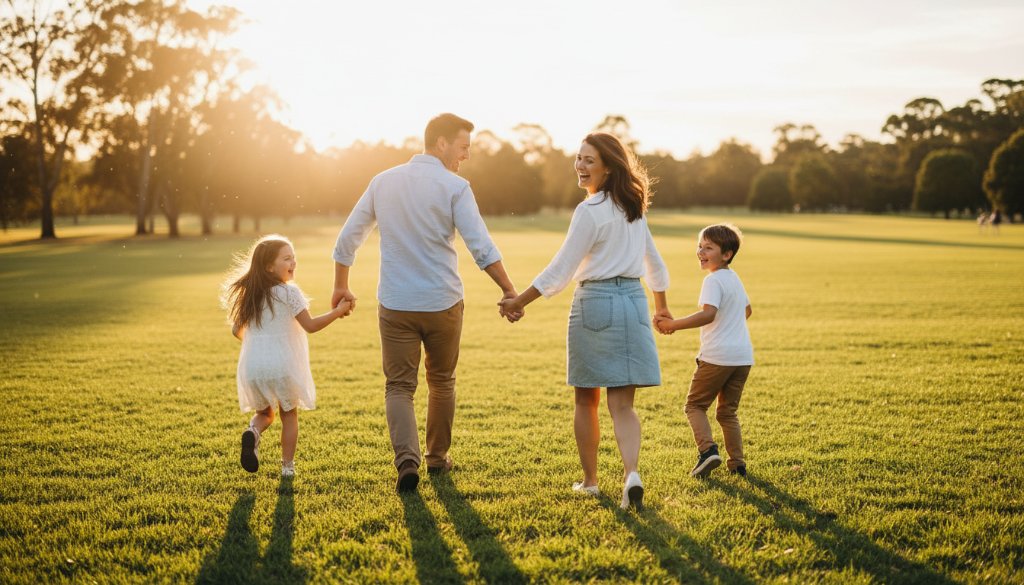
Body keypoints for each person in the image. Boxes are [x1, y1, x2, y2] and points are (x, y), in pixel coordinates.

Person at [332, 113, 519, 493]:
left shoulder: (382, 182)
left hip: (397, 304)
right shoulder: (456, 187)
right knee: (442, 382)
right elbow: (480, 246)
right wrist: (508, 290)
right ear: (441, 144)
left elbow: (348, 237)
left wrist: (341, 286)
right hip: (442, 303)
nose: (465, 156)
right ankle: (436, 458)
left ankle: (407, 462)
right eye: (463, 147)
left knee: (399, 386)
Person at [499, 132, 670, 511]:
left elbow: (562, 268)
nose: (580, 165)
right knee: (623, 405)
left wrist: (519, 301)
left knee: (586, 399)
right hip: (633, 301)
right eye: (578, 158)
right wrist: (661, 306)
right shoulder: (634, 208)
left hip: (596, 302)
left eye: (589, 160)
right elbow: (654, 264)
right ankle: (631, 475)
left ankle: (591, 482)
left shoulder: (590, 211)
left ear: (608, 167)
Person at [222, 235, 352, 477]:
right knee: (288, 414)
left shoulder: (251, 295)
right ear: (269, 266)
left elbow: (235, 330)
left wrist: (260, 342)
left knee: (264, 414)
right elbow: (311, 325)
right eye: (287, 258)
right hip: (282, 364)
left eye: (294, 257)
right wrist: (338, 311)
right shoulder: (289, 293)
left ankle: (253, 432)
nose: (294, 262)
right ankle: (287, 468)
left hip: (254, 365)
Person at [653, 223, 753, 478]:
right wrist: (731, 327)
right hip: (742, 357)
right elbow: (747, 311)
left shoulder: (713, 280)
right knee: (727, 411)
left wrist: (673, 324)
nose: (700, 251)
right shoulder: (734, 278)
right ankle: (737, 464)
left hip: (717, 356)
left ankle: (708, 451)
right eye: (699, 246)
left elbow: (708, 314)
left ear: (726, 254)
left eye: (708, 247)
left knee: (694, 406)